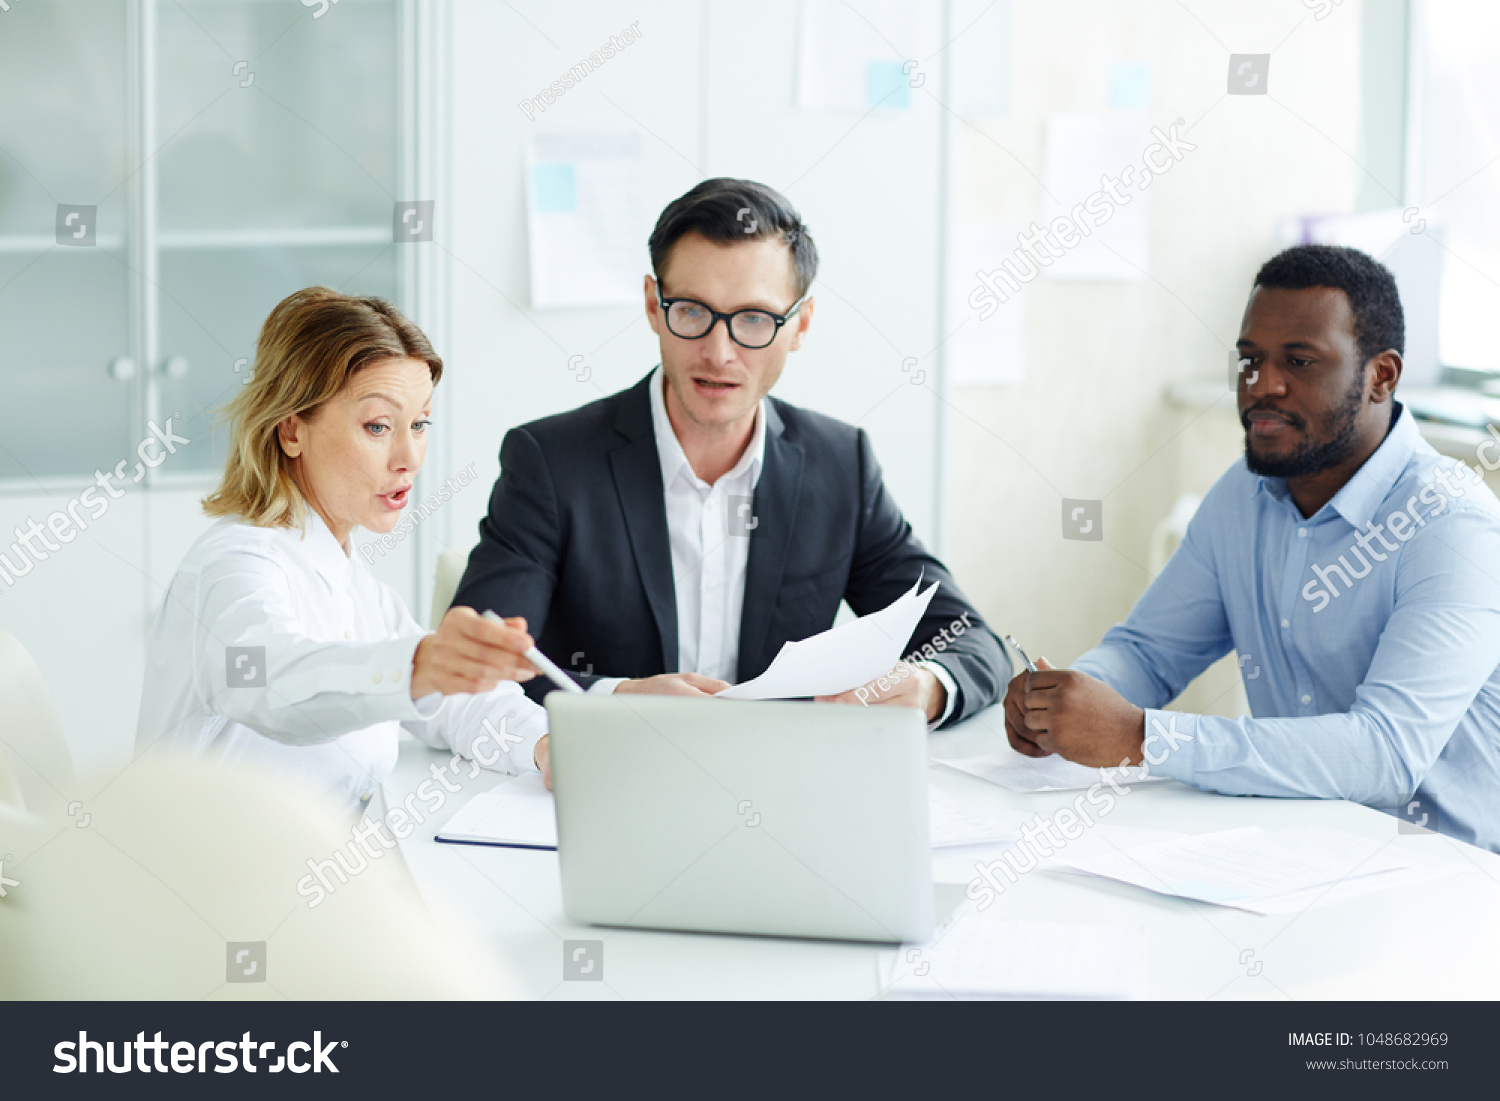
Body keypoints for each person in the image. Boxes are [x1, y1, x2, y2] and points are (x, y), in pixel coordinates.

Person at [453, 178, 1009, 776]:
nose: (719, 352)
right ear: (653, 305)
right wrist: (617, 698)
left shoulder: (839, 465)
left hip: (783, 788)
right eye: (692, 311)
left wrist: (928, 685)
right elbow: (468, 669)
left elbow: (971, 640)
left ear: (801, 324)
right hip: (612, 778)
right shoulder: (551, 461)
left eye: (755, 319)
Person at [1005, 244, 1500, 850]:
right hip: (1294, 850)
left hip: (1446, 875)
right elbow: (1149, 653)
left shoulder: (1453, 525)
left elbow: (1385, 754)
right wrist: (1062, 700)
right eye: (1250, 359)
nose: (1262, 384)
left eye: (1299, 361)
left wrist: (1142, 737)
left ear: (1381, 376)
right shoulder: (1243, 496)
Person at [136, 288, 550, 811]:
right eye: (378, 426)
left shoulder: (355, 583)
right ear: (291, 430)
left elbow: (456, 704)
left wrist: (547, 743)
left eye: (419, 424)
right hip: (221, 860)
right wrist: (417, 665)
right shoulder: (235, 563)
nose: (409, 457)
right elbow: (268, 679)